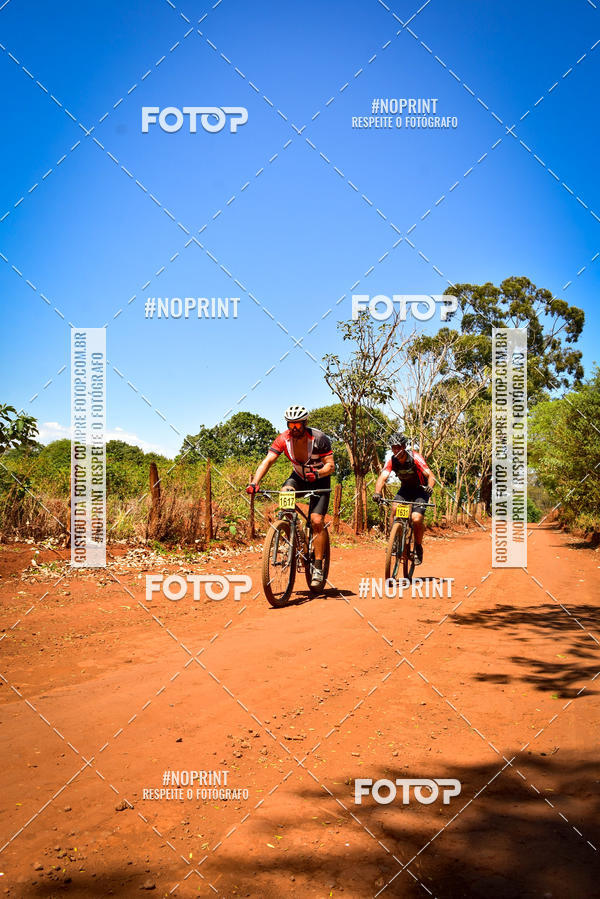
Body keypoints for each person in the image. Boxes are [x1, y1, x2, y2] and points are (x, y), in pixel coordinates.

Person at [246, 405, 335, 587]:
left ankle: (318, 565)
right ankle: (292, 531)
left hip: (319, 479)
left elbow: (330, 466)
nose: (294, 429)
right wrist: (255, 482)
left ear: (305, 423)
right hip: (299, 478)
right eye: (291, 425)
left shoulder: (319, 439)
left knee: (317, 520)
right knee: (286, 495)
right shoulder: (283, 439)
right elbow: (268, 461)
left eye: (298, 425)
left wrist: (318, 474)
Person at [373, 433, 435, 565]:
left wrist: (430, 486)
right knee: (394, 509)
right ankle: (394, 541)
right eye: (393, 448)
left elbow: (430, 475)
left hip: (421, 490)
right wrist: (377, 492)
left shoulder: (415, 457)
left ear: (404, 446)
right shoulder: (392, 460)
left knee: (416, 518)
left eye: (398, 447)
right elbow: (382, 477)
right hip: (405, 489)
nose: (395, 450)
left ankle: (418, 547)